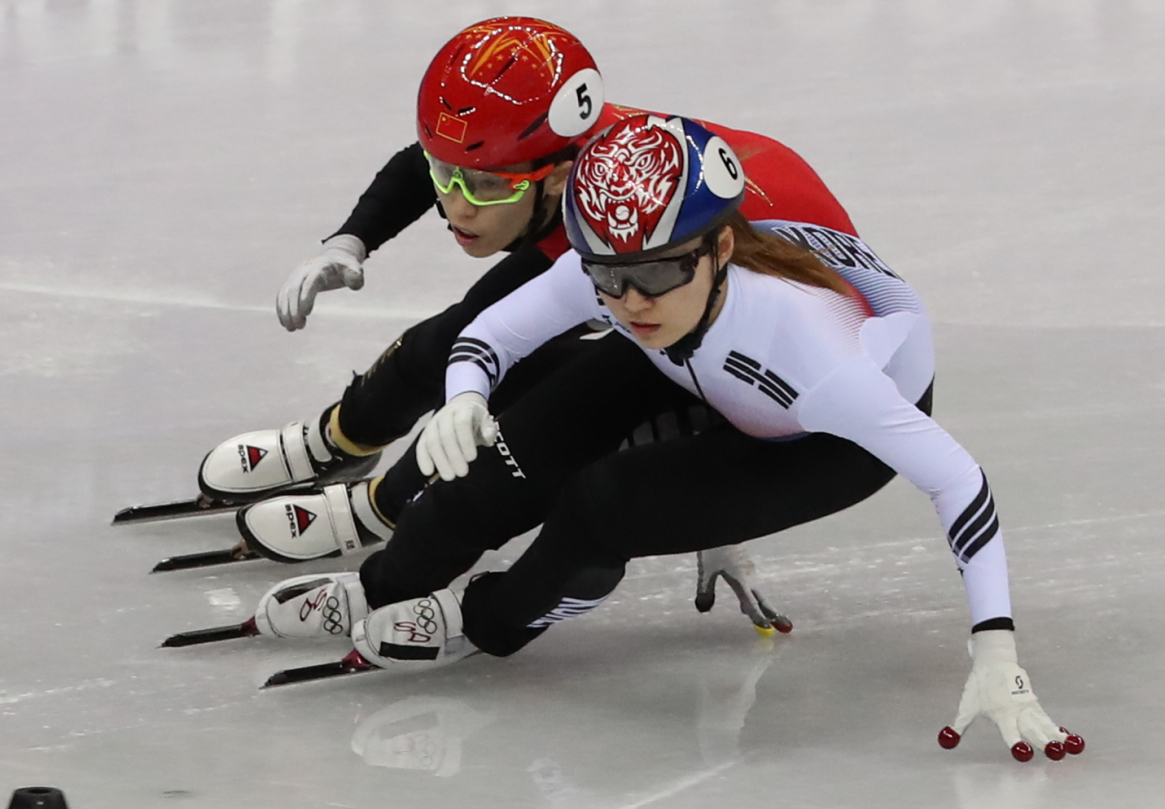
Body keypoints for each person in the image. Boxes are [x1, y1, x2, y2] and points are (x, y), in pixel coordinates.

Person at [250, 114, 1084, 762]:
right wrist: (466, 397)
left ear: (721, 246)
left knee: (601, 505)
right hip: (703, 360)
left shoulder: (820, 358)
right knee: (508, 448)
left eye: (649, 273)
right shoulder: (640, 269)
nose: (627, 297)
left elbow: (959, 480)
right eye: (605, 276)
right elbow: (493, 334)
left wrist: (994, 647)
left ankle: (485, 620)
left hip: (814, 441)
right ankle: (384, 582)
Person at [196, 17, 857, 633]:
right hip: (702, 282)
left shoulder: (625, 223)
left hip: (792, 344)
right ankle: (346, 452)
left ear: (560, 177)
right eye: (448, 178)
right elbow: (435, 164)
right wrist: (349, 241)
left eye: (484, 187)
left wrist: (713, 512)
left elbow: (716, 367)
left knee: (528, 390)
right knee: (483, 357)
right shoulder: (561, 163)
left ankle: (378, 499)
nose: (456, 206)